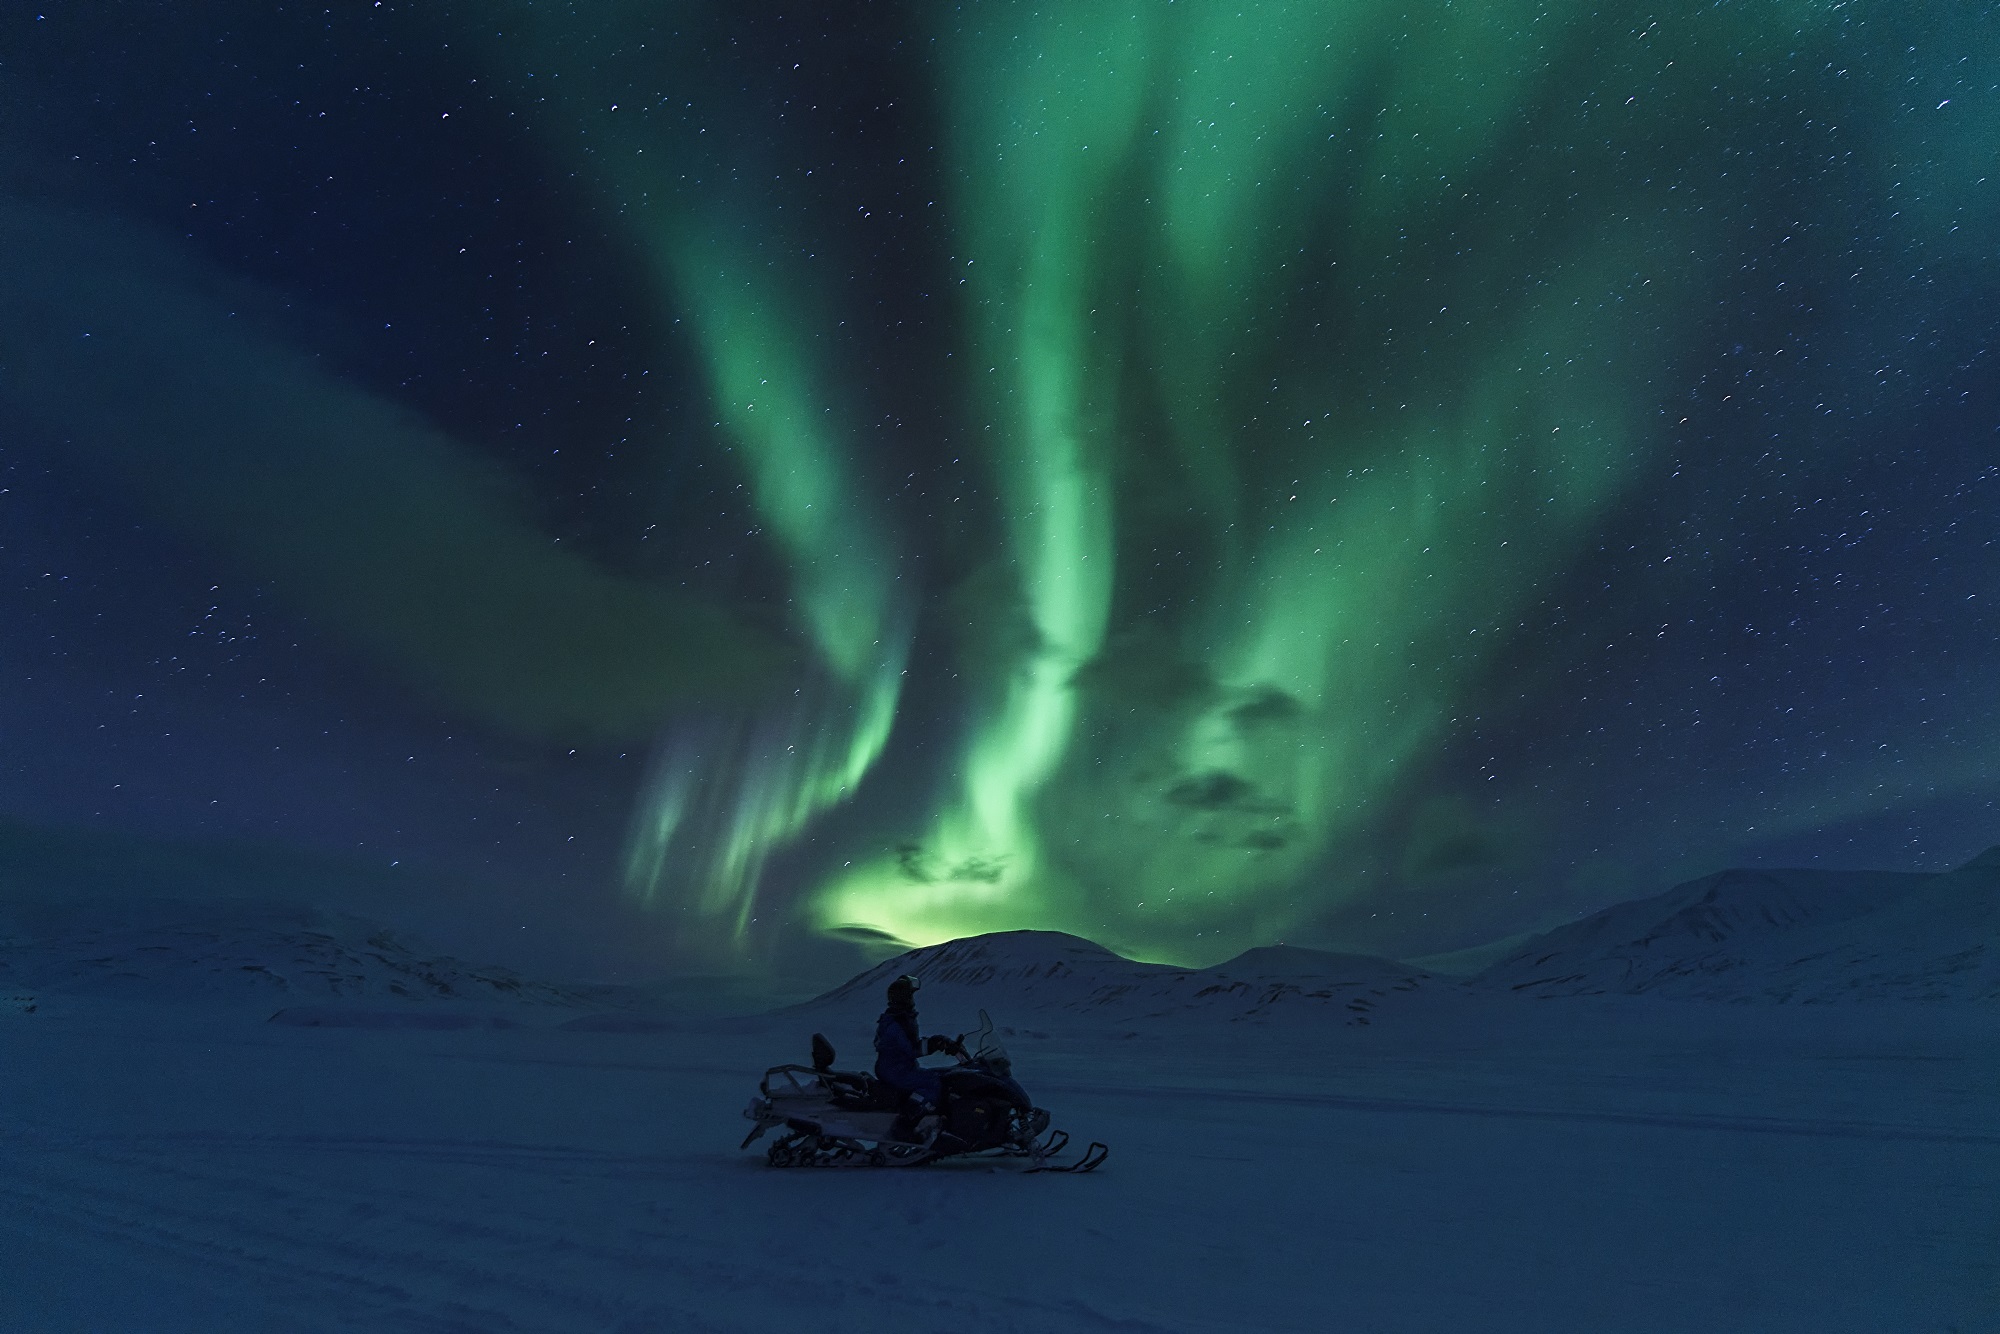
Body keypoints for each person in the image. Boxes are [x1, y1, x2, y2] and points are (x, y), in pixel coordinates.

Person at [873, 973, 960, 1142]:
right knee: (933, 1082)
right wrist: (935, 1043)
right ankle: (905, 1124)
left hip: (896, 1066)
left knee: (942, 1075)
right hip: (896, 1070)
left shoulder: (895, 1018)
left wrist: (939, 1041)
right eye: (910, 995)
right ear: (904, 998)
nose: (913, 999)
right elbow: (911, 1049)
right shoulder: (897, 1023)